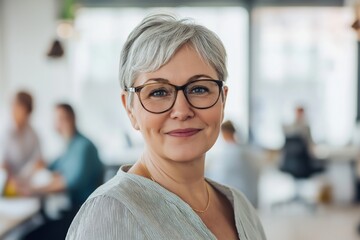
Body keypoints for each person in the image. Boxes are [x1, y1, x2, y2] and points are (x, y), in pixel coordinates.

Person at [66, 13, 266, 240]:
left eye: (199, 89)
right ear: (130, 108)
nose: (181, 111)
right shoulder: (109, 215)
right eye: (158, 92)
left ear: (223, 99)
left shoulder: (239, 206)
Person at [22, 103, 104, 240]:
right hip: (71, 211)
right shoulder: (69, 146)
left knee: (28, 236)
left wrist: (32, 190)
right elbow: (50, 166)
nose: (59, 124)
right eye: (57, 120)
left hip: (83, 216)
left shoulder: (84, 146)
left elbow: (68, 183)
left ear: (72, 119)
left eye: (63, 118)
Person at [206, 120, 260, 207]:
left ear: (224, 133)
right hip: (249, 199)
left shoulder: (224, 154)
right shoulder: (247, 152)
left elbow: (216, 178)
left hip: (233, 199)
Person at [0, 91, 43, 185]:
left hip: (28, 182)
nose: (12, 109)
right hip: (7, 182)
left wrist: (23, 179)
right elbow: (2, 164)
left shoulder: (33, 134)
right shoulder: (4, 131)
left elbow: (39, 161)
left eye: (16, 106)